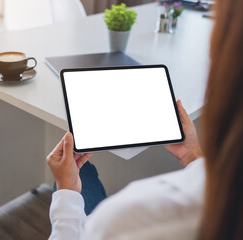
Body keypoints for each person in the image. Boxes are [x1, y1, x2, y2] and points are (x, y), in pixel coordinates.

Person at [46, 0, 243, 238]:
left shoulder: (132, 217)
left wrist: (67, 193)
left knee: (80, 173)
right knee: (83, 172)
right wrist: (192, 154)